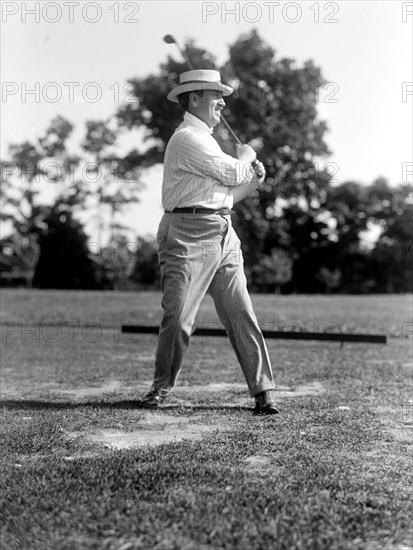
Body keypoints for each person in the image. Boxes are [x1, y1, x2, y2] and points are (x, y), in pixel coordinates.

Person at [140, 69, 278, 415]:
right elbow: (232, 171)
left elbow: (228, 197)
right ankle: (161, 388)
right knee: (180, 317)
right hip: (186, 234)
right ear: (195, 99)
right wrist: (246, 156)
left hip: (223, 232)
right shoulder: (187, 138)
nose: (222, 101)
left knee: (241, 313)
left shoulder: (207, 139)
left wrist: (255, 182)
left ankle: (263, 391)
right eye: (215, 95)